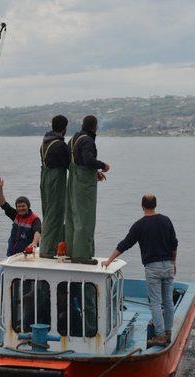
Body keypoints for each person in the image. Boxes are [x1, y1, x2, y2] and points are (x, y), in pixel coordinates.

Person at [101, 194, 178, 347]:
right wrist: (174, 262)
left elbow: (125, 244)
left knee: (155, 302)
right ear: (155, 205)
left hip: (153, 267)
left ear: (142, 206)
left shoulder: (140, 225)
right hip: (168, 264)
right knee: (168, 300)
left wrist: (109, 260)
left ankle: (160, 336)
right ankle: (169, 332)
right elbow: (174, 244)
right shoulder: (166, 220)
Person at [0, 176, 41, 310]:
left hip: (27, 259)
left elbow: (38, 231)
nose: (21, 208)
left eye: (23, 206)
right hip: (12, 257)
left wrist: (33, 243)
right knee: (0, 279)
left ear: (28, 206)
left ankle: (24, 306)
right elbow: (3, 204)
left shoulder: (34, 219)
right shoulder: (16, 215)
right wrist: (0, 189)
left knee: (25, 284)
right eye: (19, 206)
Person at [64, 115, 110, 264]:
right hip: (84, 185)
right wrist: (103, 165)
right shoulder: (88, 140)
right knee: (85, 218)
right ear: (94, 126)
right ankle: (82, 255)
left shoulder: (73, 139)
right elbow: (88, 160)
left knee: (72, 217)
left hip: (73, 181)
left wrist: (94, 172)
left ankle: (71, 252)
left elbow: (74, 160)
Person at [39, 115, 70, 258]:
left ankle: (49, 246)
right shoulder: (60, 145)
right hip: (55, 180)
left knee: (48, 212)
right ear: (64, 128)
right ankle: (47, 250)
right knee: (55, 213)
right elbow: (70, 164)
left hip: (44, 178)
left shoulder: (44, 143)